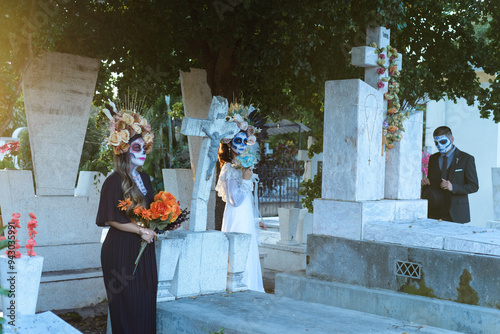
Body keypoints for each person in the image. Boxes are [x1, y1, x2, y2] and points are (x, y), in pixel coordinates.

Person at [96, 103, 158, 333]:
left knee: (145, 302)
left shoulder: (146, 179)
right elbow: (111, 219)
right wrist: (141, 231)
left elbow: (150, 212)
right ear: (123, 149)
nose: (142, 151)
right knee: (128, 306)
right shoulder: (113, 181)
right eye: (136, 147)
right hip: (121, 251)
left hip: (144, 249)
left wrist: (167, 221)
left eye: (144, 147)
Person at [216, 129, 265, 292]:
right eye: (238, 141)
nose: (242, 145)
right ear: (229, 143)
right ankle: (237, 285)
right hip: (236, 216)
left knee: (248, 248)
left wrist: (257, 219)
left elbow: (248, 199)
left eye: (245, 141)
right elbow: (234, 200)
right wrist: (245, 181)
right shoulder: (229, 168)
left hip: (246, 215)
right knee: (238, 248)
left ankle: (250, 285)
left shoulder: (244, 166)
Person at [421, 126, 479, 223]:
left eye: (443, 142)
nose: (439, 146)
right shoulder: (433, 158)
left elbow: (474, 186)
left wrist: (453, 187)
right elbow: (432, 184)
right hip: (435, 211)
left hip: (456, 214)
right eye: (436, 143)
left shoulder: (466, 159)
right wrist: (425, 185)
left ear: (452, 139)